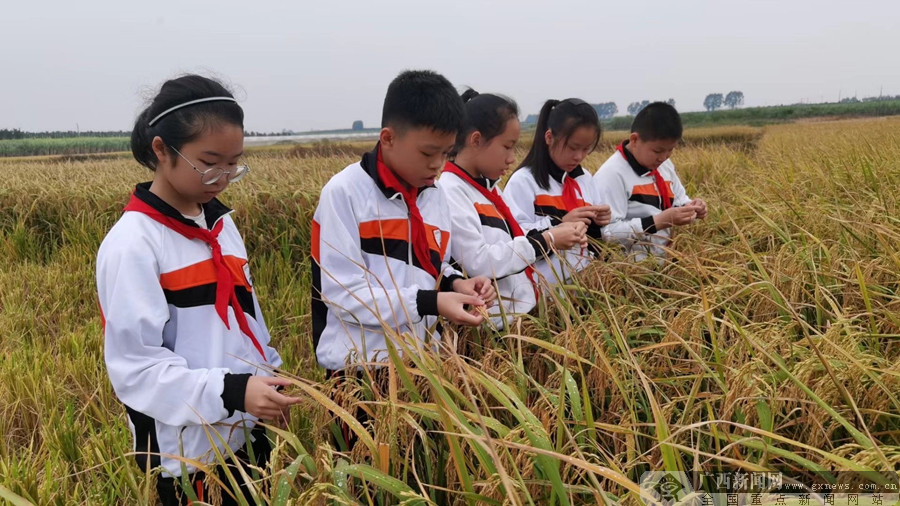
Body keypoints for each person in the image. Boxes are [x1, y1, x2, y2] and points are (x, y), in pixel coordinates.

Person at [97, 75, 299, 505]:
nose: (223, 177)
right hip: (189, 458)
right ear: (160, 150)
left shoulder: (222, 226)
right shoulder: (134, 243)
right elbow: (137, 370)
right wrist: (232, 391)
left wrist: (268, 378)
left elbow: (248, 318)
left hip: (245, 431)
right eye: (209, 162)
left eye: (234, 163)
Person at [311, 70, 496, 376]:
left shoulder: (435, 196)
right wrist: (431, 302)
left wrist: (454, 282)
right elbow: (345, 295)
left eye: (446, 153)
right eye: (427, 152)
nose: (437, 164)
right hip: (361, 370)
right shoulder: (345, 193)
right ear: (388, 138)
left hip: (425, 365)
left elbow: (432, 264)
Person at [439, 89, 587, 328]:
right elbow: (478, 261)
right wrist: (548, 240)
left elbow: (514, 237)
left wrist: (558, 228)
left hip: (522, 317)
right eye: (507, 146)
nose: (511, 158)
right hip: (493, 329)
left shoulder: (490, 189)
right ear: (476, 140)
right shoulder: (451, 190)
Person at [503, 98, 611, 285]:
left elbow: (596, 240)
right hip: (543, 293)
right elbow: (513, 240)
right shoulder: (524, 181)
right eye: (572, 147)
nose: (578, 156)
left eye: (586, 149)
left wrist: (600, 222)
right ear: (549, 137)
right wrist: (560, 223)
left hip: (588, 288)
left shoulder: (585, 178)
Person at [593, 102, 707, 261]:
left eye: (670, 150)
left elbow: (679, 200)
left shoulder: (664, 165)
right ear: (634, 140)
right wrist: (657, 222)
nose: (664, 157)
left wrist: (693, 207)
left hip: (664, 264)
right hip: (630, 273)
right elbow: (607, 233)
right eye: (658, 151)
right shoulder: (611, 175)